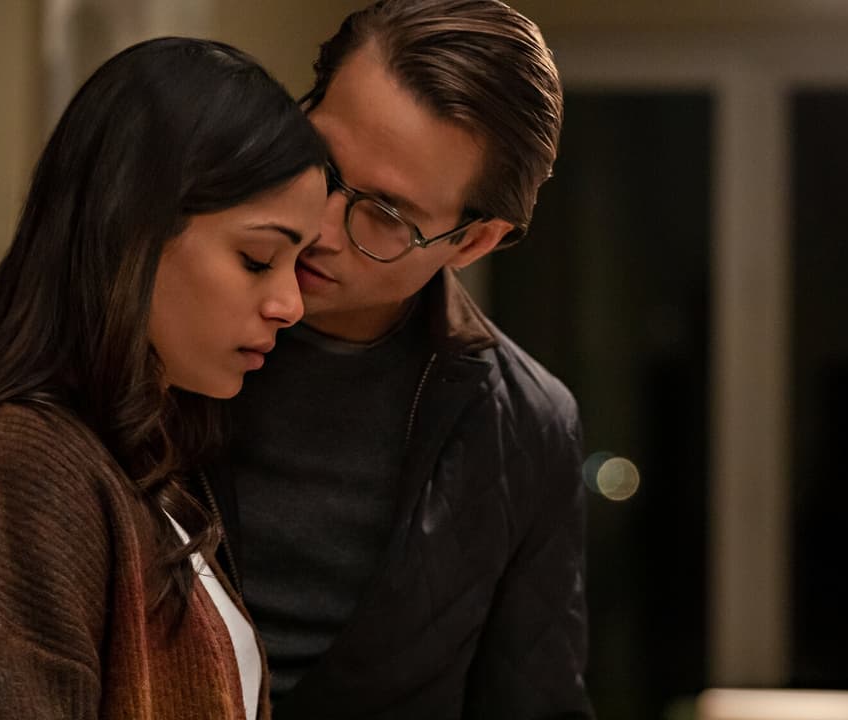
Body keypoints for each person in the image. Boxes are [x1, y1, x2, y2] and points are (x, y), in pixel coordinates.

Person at [0, 37, 327, 719]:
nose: (290, 304)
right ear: (130, 231)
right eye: (258, 258)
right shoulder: (20, 463)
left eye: (299, 264)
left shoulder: (142, 466)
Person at [201, 1, 593, 717]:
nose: (320, 226)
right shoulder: (157, 319)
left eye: (385, 215)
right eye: (319, 160)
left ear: (474, 242)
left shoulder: (523, 427)